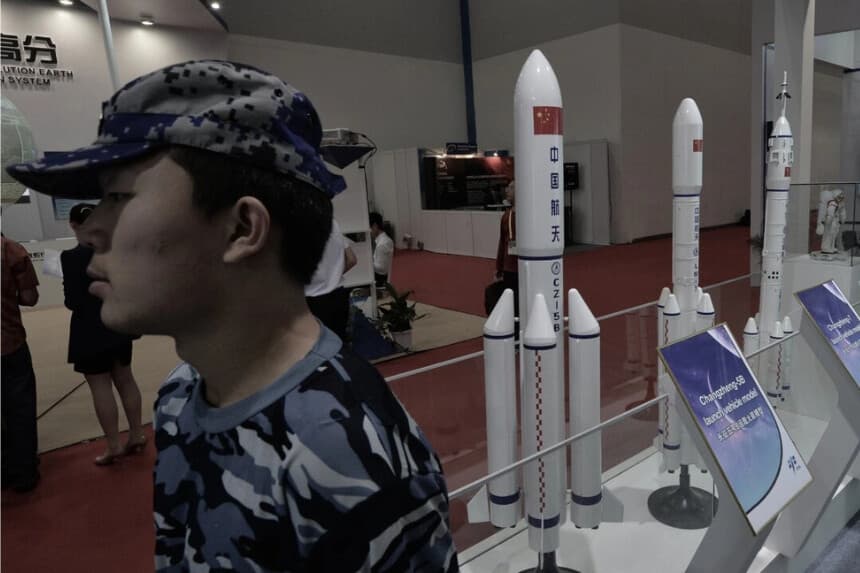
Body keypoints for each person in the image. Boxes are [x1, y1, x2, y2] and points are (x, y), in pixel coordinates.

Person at [7, 60, 458, 572]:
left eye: (119, 197)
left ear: (243, 228)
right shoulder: (182, 396)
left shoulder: (353, 460)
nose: (91, 231)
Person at [61, 203, 145, 466]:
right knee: (126, 379)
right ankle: (137, 434)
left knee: (100, 386)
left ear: (73, 225)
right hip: (118, 324)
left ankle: (113, 446)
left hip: (89, 329)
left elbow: (73, 301)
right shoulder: (115, 250)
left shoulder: (70, 257)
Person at [1, 234, 40, 492]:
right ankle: (25, 472)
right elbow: (29, 298)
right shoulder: (11, 250)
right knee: (20, 407)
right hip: (9, 341)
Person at [305, 218, 357, 340]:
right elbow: (352, 259)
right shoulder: (333, 223)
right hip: (338, 295)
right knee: (339, 344)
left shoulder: (298, 226)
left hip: (313, 300)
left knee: (317, 348)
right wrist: (332, 276)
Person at [495, 180, 519, 314]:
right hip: (509, 268)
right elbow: (502, 243)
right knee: (512, 305)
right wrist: (499, 268)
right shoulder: (506, 216)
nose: (506, 190)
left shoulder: (529, 215)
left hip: (526, 268)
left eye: (511, 187)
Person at [369, 211, 393, 287]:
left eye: (369, 228)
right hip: (380, 277)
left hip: (380, 281)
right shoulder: (382, 240)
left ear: (375, 226)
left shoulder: (382, 244)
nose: (369, 231)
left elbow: (381, 269)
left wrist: (367, 264)